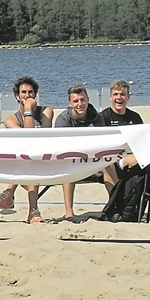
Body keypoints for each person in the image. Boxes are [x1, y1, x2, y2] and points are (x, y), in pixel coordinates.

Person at [97, 79, 150, 219]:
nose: (119, 98)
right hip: (116, 160)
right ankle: (117, 204)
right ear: (110, 97)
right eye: (116, 94)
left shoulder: (135, 117)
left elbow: (143, 142)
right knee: (133, 159)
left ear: (128, 97)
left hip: (140, 156)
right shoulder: (103, 117)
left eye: (122, 94)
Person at [0, 76, 54, 224]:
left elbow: (35, 138)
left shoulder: (46, 111)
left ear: (35, 94)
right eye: (23, 92)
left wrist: (29, 110)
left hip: (45, 157)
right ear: (17, 96)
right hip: (26, 160)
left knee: (30, 160)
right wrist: (27, 110)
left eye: (30, 92)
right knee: (28, 161)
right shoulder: (10, 120)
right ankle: (33, 211)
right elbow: (27, 140)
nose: (27, 95)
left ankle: (10, 191)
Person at [54, 85, 109, 219]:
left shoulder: (96, 117)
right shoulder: (63, 119)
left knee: (109, 164)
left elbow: (102, 143)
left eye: (82, 100)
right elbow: (62, 148)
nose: (80, 104)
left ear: (88, 100)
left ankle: (115, 205)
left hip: (93, 158)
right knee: (68, 165)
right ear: (70, 103)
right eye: (76, 101)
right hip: (71, 158)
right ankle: (69, 212)